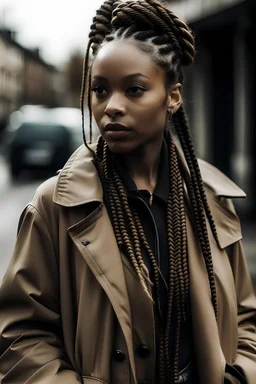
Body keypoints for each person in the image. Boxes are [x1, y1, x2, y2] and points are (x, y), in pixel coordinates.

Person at [0, 0, 255, 383]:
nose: (111, 107)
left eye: (134, 89)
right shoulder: (55, 205)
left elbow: (245, 317)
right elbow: (19, 336)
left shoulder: (210, 199)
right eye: (100, 90)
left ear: (173, 97)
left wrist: (240, 376)